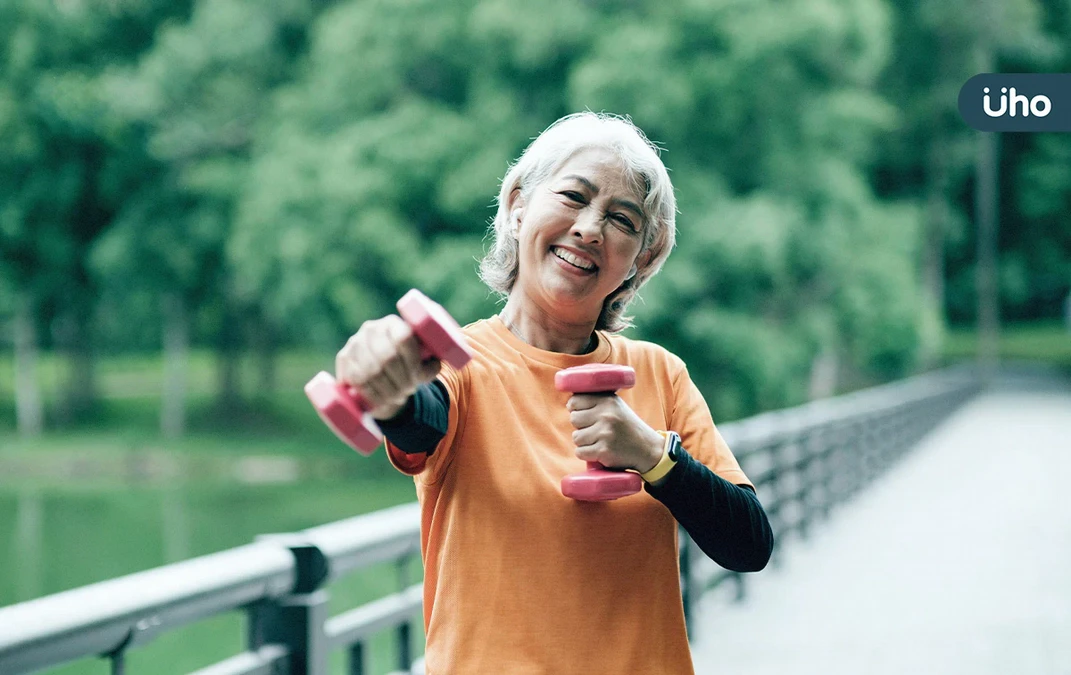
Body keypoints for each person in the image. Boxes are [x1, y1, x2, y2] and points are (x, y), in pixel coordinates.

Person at [335, 112, 774, 674]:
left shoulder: (660, 375)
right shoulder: (461, 367)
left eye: (622, 219)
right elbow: (421, 420)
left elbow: (749, 544)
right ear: (519, 205)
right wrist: (390, 393)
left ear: (641, 256)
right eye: (573, 196)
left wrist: (653, 457)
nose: (590, 228)